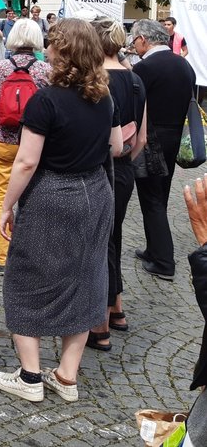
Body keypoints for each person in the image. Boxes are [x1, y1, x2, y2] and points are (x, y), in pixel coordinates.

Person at [0, 19, 120, 404]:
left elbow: (27, 163)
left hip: (52, 195)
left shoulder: (46, 100)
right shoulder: (105, 98)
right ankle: (66, 377)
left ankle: (30, 376)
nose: (46, 49)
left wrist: (7, 205)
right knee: (85, 278)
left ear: (63, 52)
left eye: (52, 44)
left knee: (25, 278)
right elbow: (116, 148)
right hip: (96, 193)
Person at [87, 18, 147, 351]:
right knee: (115, 235)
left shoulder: (97, 80)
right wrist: (126, 160)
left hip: (100, 169)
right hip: (124, 170)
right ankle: (117, 309)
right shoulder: (136, 80)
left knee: (101, 242)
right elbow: (141, 138)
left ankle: (100, 326)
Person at [0, 19, 51, 274]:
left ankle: (4, 257)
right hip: (37, 143)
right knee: (34, 197)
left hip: (3, 140)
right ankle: (32, 255)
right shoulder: (45, 70)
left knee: (1, 197)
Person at [131, 18, 197, 281]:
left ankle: (163, 261)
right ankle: (153, 249)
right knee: (161, 195)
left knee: (151, 198)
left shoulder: (146, 67)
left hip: (151, 138)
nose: (134, 45)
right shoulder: (185, 66)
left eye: (134, 39)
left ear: (144, 39)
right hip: (173, 137)